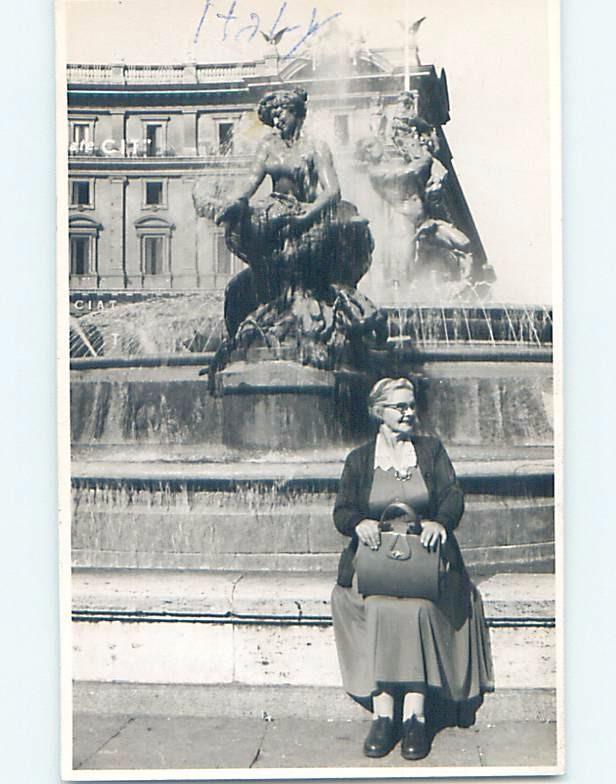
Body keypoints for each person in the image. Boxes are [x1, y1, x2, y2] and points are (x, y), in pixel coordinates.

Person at [331, 377, 494, 760]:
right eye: (399, 407)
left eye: (410, 405)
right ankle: (384, 716)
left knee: (417, 611)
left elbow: (453, 496)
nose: (408, 413)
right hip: (377, 568)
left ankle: (414, 718)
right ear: (378, 412)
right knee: (379, 607)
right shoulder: (359, 459)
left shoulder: (431, 451)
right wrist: (358, 523)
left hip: (427, 570)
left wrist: (440, 522)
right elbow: (341, 511)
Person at [193, 86, 374, 338]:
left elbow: (332, 191)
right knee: (245, 225)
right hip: (275, 210)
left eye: (282, 113)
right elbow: (249, 184)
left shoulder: (315, 147)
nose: (278, 119)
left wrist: (306, 217)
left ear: (297, 113)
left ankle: (304, 303)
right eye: (274, 115)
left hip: (308, 212)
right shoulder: (268, 146)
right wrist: (233, 203)